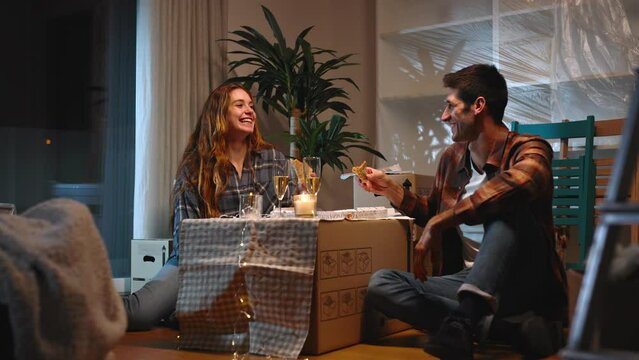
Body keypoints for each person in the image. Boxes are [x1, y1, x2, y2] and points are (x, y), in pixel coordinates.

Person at [360, 64, 567, 358]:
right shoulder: (452, 158)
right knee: (381, 284)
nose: (444, 116)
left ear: (478, 106)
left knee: (505, 205)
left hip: (524, 284)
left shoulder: (530, 148)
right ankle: (502, 329)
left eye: (451, 107)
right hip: (467, 281)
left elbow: (522, 182)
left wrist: (438, 224)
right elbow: (431, 210)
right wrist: (391, 190)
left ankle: (464, 320)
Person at [123, 83, 292, 330]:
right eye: (240, 105)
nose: (250, 111)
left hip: (255, 264)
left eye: (251, 106)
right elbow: (185, 237)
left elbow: (285, 217)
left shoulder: (274, 160)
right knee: (139, 314)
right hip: (195, 263)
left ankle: (183, 312)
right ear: (219, 114)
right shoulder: (195, 168)